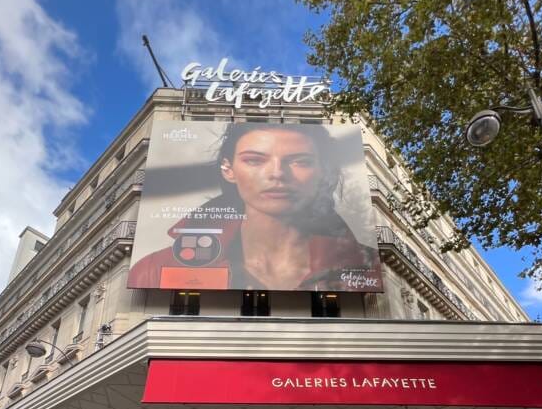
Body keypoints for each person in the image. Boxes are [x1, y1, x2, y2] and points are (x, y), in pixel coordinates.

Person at [128, 122, 382, 293]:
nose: (277, 174)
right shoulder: (154, 268)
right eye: (254, 160)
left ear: (322, 171)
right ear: (229, 170)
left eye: (300, 161)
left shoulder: (365, 264)